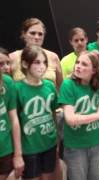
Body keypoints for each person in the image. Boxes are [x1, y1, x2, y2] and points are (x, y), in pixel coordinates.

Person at [58, 51, 99, 180]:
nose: (78, 66)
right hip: (76, 145)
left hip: (96, 142)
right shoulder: (68, 84)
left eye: (84, 64)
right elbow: (71, 119)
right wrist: (98, 115)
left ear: (94, 70)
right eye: (77, 62)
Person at [15, 45, 58, 180]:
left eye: (44, 62)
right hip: (29, 148)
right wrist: (18, 153)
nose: (42, 66)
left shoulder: (50, 86)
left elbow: (54, 113)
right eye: (37, 62)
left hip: (49, 144)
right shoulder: (17, 89)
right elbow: (14, 120)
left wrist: (57, 140)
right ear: (25, 64)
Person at [9, 18, 63, 90]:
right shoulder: (12, 58)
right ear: (24, 34)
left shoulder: (53, 57)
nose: (37, 37)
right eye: (32, 33)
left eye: (40, 34)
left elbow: (61, 88)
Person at [0, 54, 24, 180]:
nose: (6, 67)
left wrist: (18, 155)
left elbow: (14, 119)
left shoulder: (8, 82)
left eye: (7, 63)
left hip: (6, 149)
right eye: (1, 64)